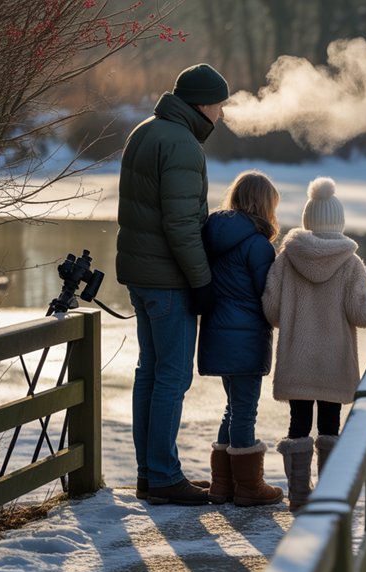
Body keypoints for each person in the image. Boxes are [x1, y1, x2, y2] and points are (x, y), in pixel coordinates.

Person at [116, 63, 228, 505]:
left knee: (151, 372)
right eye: (219, 105)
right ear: (202, 104)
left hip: (141, 277)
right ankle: (163, 476)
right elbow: (182, 224)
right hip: (168, 281)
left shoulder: (146, 130)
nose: (221, 115)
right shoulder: (181, 144)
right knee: (172, 377)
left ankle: (151, 473)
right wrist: (201, 282)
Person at [263, 177, 366, 511]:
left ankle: (298, 496)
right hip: (334, 360)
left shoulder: (286, 259)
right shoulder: (350, 263)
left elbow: (270, 308)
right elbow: (360, 310)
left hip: (296, 359)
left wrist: (296, 318)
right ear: (339, 221)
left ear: (307, 218)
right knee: (330, 425)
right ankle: (327, 496)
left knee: (298, 425)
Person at [198, 171, 284, 507]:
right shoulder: (258, 245)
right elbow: (269, 295)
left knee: (232, 409)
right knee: (244, 411)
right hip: (247, 336)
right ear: (266, 206)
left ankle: (222, 486)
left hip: (217, 334)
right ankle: (248, 487)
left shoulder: (213, 237)